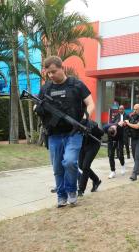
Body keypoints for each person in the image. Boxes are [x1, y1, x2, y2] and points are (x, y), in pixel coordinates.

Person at [36, 56, 95, 208]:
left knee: (69, 162)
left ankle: (71, 191)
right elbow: (37, 107)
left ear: (62, 68)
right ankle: (61, 196)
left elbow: (90, 103)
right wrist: (39, 109)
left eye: (54, 72)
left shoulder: (76, 85)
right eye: (48, 73)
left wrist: (84, 118)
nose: (51, 75)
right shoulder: (46, 88)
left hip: (74, 132)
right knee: (57, 167)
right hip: (54, 134)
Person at [77, 120, 104, 196]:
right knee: (81, 166)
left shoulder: (90, 123)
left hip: (93, 145)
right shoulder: (73, 122)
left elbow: (101, 133)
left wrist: (91, 130)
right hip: (83, 145)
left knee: (85, 166)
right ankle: (96, 180)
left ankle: (81, 189)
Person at [124, 104, 139, 181]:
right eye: (134, 109)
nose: (134, 110)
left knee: (137, 156)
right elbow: (127, 123)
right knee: (134, 155)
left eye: (136, 109)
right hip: (134, 139)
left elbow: (137, 126)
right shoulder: (132, 116)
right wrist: (125, 122)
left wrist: (128, 123)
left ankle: (134, 174)